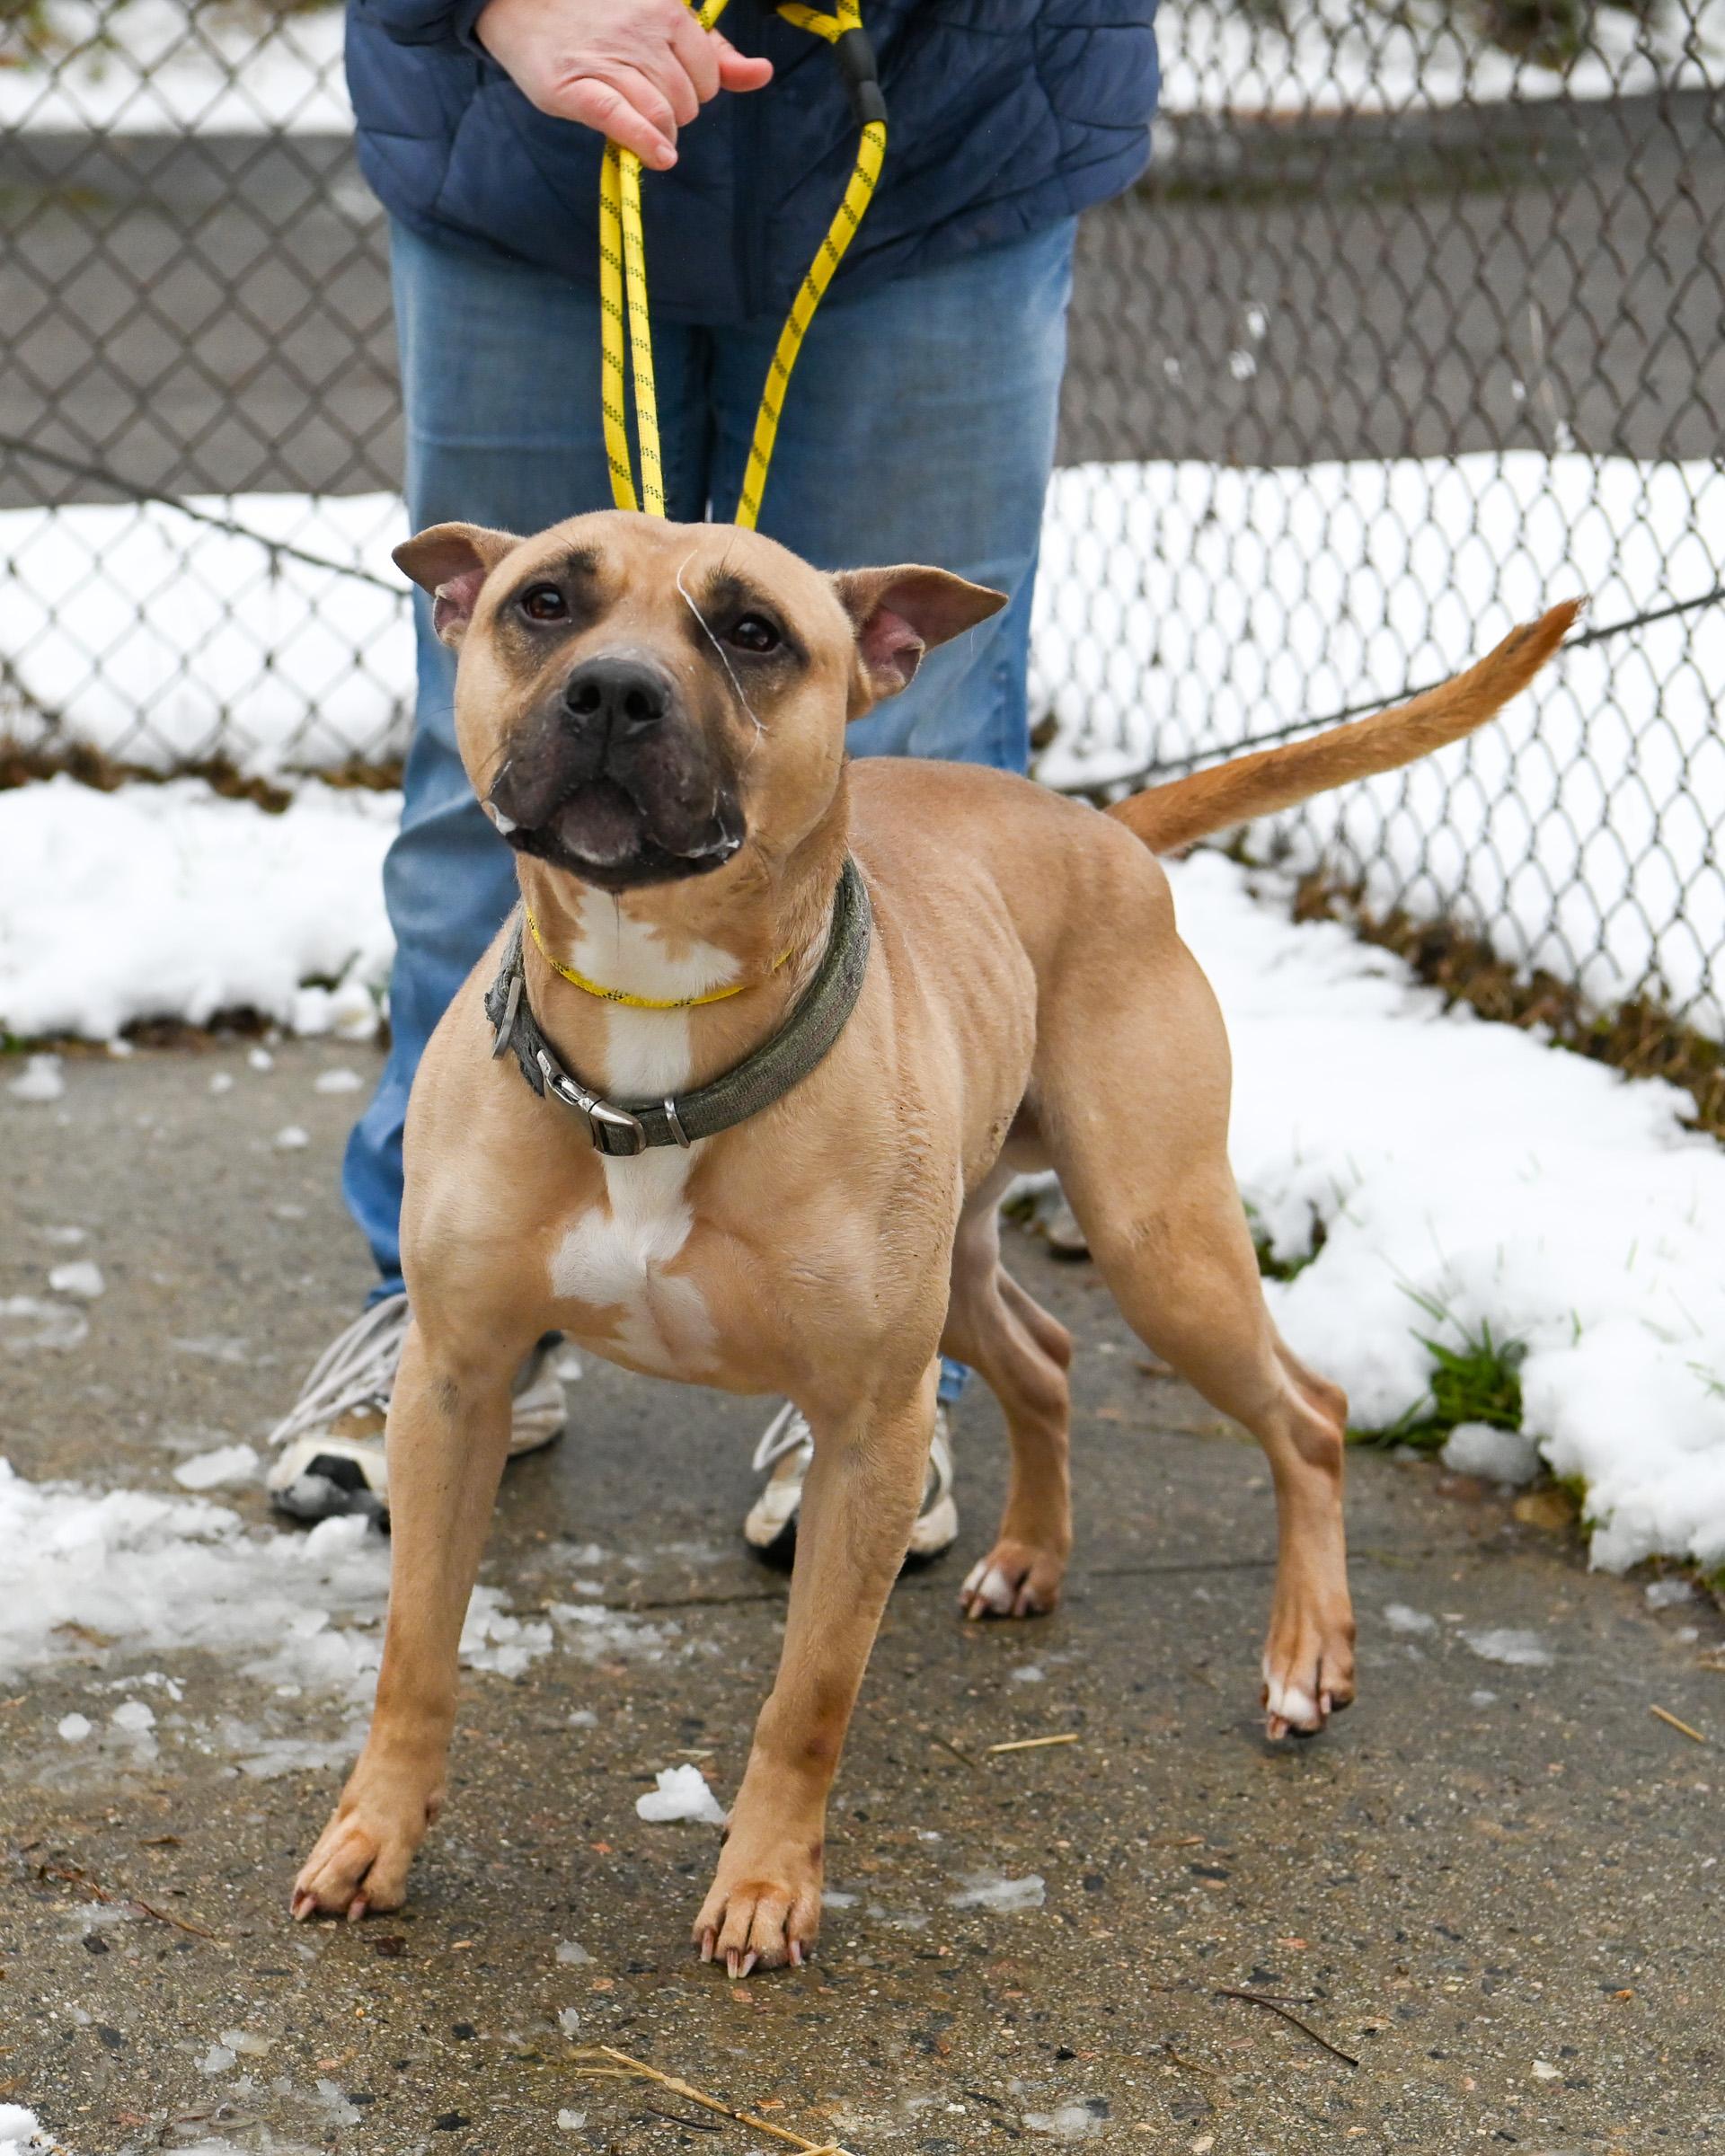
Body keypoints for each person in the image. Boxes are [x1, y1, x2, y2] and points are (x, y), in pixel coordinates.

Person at [264, 0, 1160, 1556]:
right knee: (501, 776)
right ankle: (447, 1315)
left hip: (943, 117)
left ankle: (875, 1369)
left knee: (911, 769)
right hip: (527, 131)